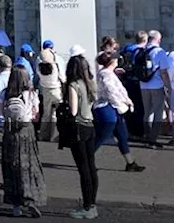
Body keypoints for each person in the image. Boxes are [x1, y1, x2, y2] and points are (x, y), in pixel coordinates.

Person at [0, 65, 46, 219]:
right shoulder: (31, 93)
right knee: (29, 165)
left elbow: (2, 112)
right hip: (26, 131)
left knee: (11, 166)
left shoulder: (6, 93)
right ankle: (30, 198)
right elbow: (36, 114)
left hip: (10, 131)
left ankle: (15, 205)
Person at [92, 50, 145, 172]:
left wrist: (126, 101)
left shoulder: (109, 73)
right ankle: (87, 159)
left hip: (114, 108)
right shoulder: (106, 74)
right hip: (107, 107)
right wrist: (122, 105)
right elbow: (111, 93)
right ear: (112, 61)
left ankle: (130, 163)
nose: (118, 60)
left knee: (122, 135)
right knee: (102, 136)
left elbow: (118, 91)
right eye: (116, 59)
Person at [63, 47, 99, 220]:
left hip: (78, 128)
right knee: (91, 167)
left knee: (83, 169)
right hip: (90, 125)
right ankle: (92, 204)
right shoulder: (89, 83)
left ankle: (87, 206)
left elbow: (73, 110)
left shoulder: (73, 85)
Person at [136, 30, 170, 148]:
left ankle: (148, 135)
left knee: (147, 112)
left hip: (143, 85)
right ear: (158, 39)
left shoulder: (141, 50)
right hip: (156, 85)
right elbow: (164, 72)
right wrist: (168, 86)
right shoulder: (160, 52)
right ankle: (153, 139)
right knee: (158, 112)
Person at [36, 40, 64, 141]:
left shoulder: (39, 67)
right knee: (55, 114)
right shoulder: (55, 66)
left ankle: (43, 134)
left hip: (45, 91)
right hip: (56, 90)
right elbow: (62, 77)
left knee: (46, 114)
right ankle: (53, 136)